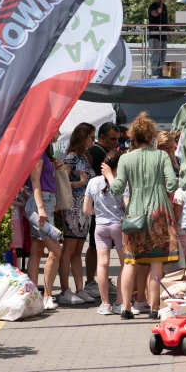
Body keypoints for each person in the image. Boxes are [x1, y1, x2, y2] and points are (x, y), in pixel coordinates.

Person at [103, 113, 179, 320]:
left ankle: (126, 308)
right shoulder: (162, 156)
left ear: (133, 138)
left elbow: (117, 189)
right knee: (156, 262)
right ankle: (154, 309)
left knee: (130, 261)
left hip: (135, 212)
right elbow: (172, 184)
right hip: (159, 212)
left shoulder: (126, 158)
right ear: (152, 136)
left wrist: (110, 175)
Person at [83, 150, 128, 315]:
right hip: (119, 224)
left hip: (100, 226)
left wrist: (101, 212)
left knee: (102, 264)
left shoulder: (93, 182)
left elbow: (86, 210)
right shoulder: (122, 183)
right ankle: (119, 302)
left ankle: (105, 304)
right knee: (125, 264)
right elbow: (127, 205)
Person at [58, 123, 96, 304]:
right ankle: (65, 289)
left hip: (84, 210)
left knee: (77, 250)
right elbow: (62, 182)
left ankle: (79, 288)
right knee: (69, 249)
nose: (93, 140)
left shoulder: (85, 157)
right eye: (91, 137)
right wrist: (80, 183)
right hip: (73, 208)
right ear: (83, 137)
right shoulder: (72, 158)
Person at [25, 138, 63, 311]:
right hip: (40, 203)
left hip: (45, 202)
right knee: (56, 250)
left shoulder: (44, 152)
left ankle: (34, 295)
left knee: (37, 249)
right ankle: (46, 296)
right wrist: (40, 208)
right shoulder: (39, 152)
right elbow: (35, 181)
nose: (59, 132)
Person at [84, 122, 121, 299]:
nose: (115, 142)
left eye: (117, 139)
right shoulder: (97, 152)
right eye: (112, 138)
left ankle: (99, 283)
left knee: (101, 255)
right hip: (103, 210)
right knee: (95, 249)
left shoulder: (100, 151)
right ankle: (92, 281)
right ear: (102, 137)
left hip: (101, 212)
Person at [148, 0, 169, 78]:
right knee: (155, 54)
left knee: (162, 55)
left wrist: (169, 29)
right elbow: (153, 13)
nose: (162, 0)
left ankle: (160, 73)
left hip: (163, 35)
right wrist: (158, 11)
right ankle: (153, 73)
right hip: (155, 35)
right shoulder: (152, 6)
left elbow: (166, 18)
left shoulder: (164, 6)